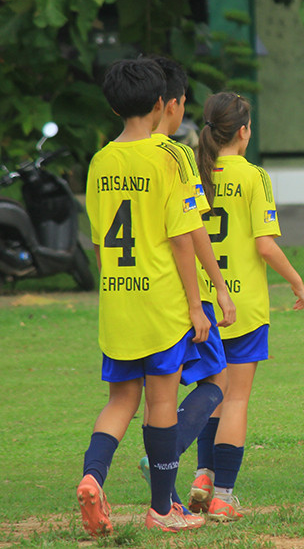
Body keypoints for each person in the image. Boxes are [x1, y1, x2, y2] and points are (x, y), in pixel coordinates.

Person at [78, 58, 209, 535]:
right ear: (160, 103)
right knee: (161, 403)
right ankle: (162, 509)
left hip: (118, 303)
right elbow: (181, 238)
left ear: (114, 107)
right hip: (162, 304)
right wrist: (196, 306)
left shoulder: (100, 161)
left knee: (119, 401)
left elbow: (97, 242)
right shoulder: (171, 155)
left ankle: (93, 477)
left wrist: (114, 285)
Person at [189, 92, 304, 520]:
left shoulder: (194, 172)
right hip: (244, 305)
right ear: (243, 131)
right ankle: (222, 495)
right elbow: (265, 244)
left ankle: (202, 475)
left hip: (202, 301)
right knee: (236, 400)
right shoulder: (253, 176)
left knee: (211, 395)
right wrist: (297, 280)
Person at [137, 57, 236, 501]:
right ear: (170, 104)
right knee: (216, 381)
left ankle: (168, 497)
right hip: (180, 294)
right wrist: (216, 286)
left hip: (136, 296)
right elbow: (191, 230)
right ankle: (170, 458)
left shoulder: (116, 155)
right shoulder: (175, 154)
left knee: (155, 399)